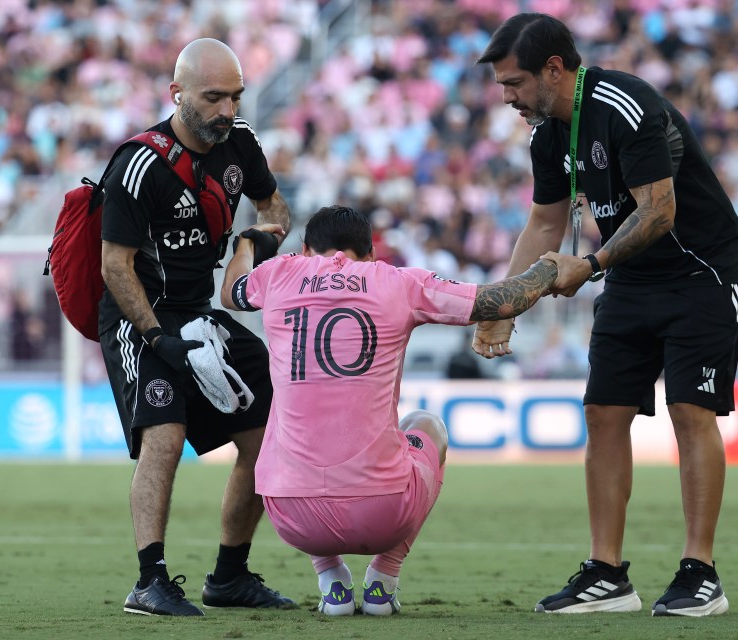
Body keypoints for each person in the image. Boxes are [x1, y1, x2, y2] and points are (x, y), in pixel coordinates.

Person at [475, 14, 738, 617]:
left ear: (555, 69)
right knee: (602, 412)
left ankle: (700, 573)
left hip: (701, 271)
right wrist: (505, 305)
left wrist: (591, 265)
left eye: (514, 82)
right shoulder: (548, 135)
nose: (506, 97)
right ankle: (607, 575)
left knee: (690, 411)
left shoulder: (625, 105)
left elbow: (659, 211)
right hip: (632, 277)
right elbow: (544, 223)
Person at [219, 205, 557, 615]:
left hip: (292, 517)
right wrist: (551, 267)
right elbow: (500, 300)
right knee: (426, 425)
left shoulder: (279, 273)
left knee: (286, 428)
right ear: (371, 253)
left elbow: (231, 290)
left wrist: (247, 243)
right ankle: (384, 577)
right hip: (382, 514)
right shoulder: (397, 282)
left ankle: (330, 579)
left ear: (306, 249)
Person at [99, 38, 294, 616]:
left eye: (235, 97)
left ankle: (229, 576)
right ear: (176, 94)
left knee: (265, 431)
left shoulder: (241, 144)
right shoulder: (140, 164)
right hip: (141, 318)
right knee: (166, 437)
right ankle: (149, 581)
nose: (227, 111)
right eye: (213, 98)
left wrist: (250, 242)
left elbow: (276, 210)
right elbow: (114, 265)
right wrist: (159, 340)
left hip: (200, 316)